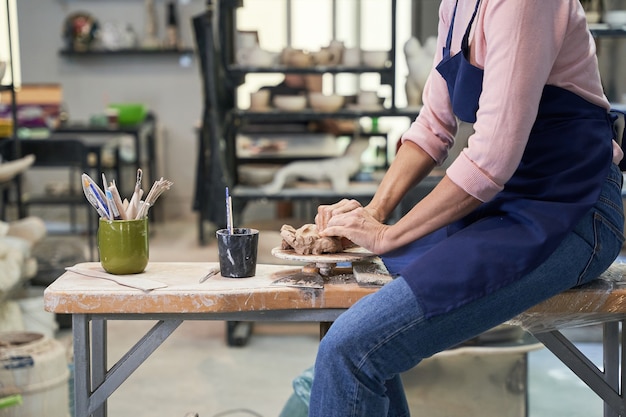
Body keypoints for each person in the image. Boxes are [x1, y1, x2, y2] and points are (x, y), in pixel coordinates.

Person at [309, 1, 625, 416]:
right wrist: (374, 212)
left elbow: (491, 158)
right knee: (359, 337)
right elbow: (434, 124)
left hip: (573, 210)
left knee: (349, 351)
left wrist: (388, 235)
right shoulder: (457, 5)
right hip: (504, 203)